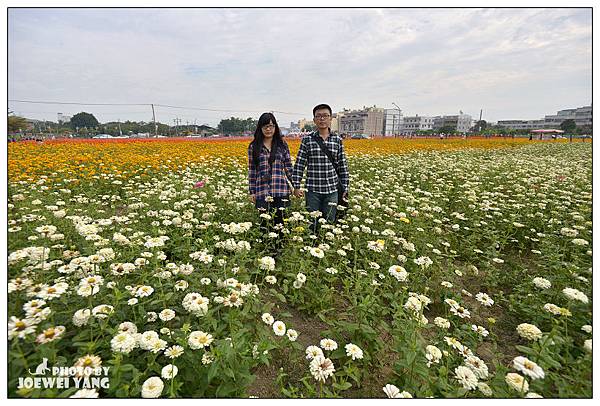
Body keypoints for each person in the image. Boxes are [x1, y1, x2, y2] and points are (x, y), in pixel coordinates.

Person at [292, 104, 349, 232]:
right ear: (314, 120)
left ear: (330, 119)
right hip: (313, 190)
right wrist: (296, 186)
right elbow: (299, 165)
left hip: (332, 191)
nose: (322, 119)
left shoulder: (337, 140)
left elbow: (343, 166)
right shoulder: (307, 140)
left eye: (325, 116)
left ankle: (326, 248)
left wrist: (345, 188)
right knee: (312, 223)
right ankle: (312, 248)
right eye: (318, 116)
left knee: (329, 223)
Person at [248, 112, 293, 251]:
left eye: (271, 126)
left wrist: (295, 185)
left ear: (275, 127)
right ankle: (267, 253)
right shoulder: (254, 147)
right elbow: (252, 170)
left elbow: (288, 167)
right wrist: (252, 192)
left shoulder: (282, 145)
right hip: (262, 191)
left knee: (281, 224)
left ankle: (279, 253)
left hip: (280, 190)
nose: (268, 129)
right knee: (264, 224)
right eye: (265, 126)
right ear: (260, 128)